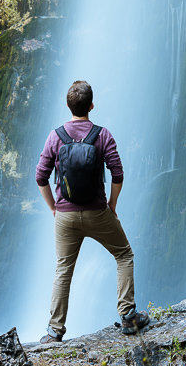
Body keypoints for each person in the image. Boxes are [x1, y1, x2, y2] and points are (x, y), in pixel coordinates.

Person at [35, 80, 150, 343]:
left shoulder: (55, 136)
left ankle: (54, 332)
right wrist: (112, 204)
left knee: (63, 270)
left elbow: (40, 177)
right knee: (123, 255)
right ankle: (128, 316)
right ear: (91, 106)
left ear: (68, 106)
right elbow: (118, 173)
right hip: (98, 213)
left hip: (64, 217)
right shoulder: (103, 135)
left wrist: (54, 208)